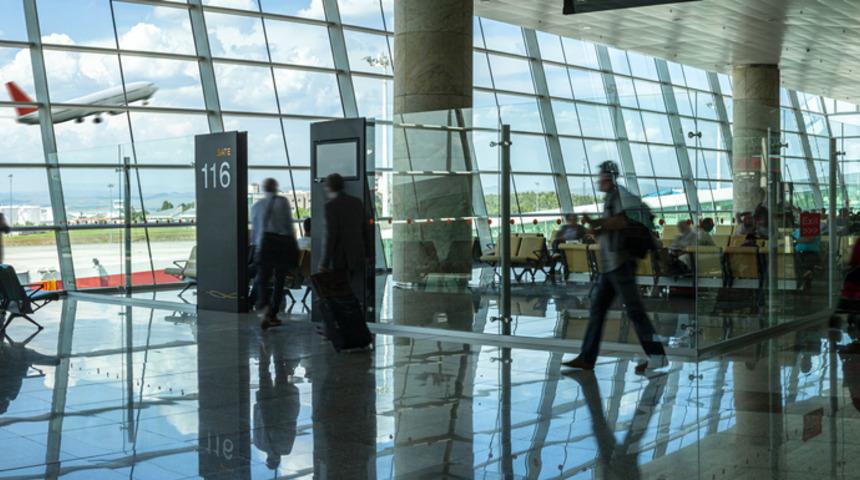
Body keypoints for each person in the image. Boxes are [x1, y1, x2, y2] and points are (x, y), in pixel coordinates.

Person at [562, 161, 667, 374]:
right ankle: (587, 357)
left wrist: (596, 223)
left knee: (634, 311)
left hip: (620, 264)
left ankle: (658, 357)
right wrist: (595, 228)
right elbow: (613, 227)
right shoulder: (611, 197)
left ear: (609, 177)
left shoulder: (618, 196)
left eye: (601, 175)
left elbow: (620, 222)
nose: (598, 180)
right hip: (610, 266)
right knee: (598, 310)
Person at [251, 178, 298, 329]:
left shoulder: (257, 206)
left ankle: (263, 306)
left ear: (264, 188)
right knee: (279, 280)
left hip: (265, 246)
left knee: (262, 279)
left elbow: (255, 232)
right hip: (281, 245)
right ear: (276, 187)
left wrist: (257, 248)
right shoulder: (283, 202)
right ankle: (273, 313)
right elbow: (288, 225)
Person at [319, 173, 371, 299]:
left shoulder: (330, 206)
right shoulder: (357, 202)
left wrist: (324, 262)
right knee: (353, 288)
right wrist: (369, 253)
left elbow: (330, 235)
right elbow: (366, 229)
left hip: (339, 257)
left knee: (339, 291)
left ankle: (345, 309)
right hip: (357, 254)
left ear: (329, 187)